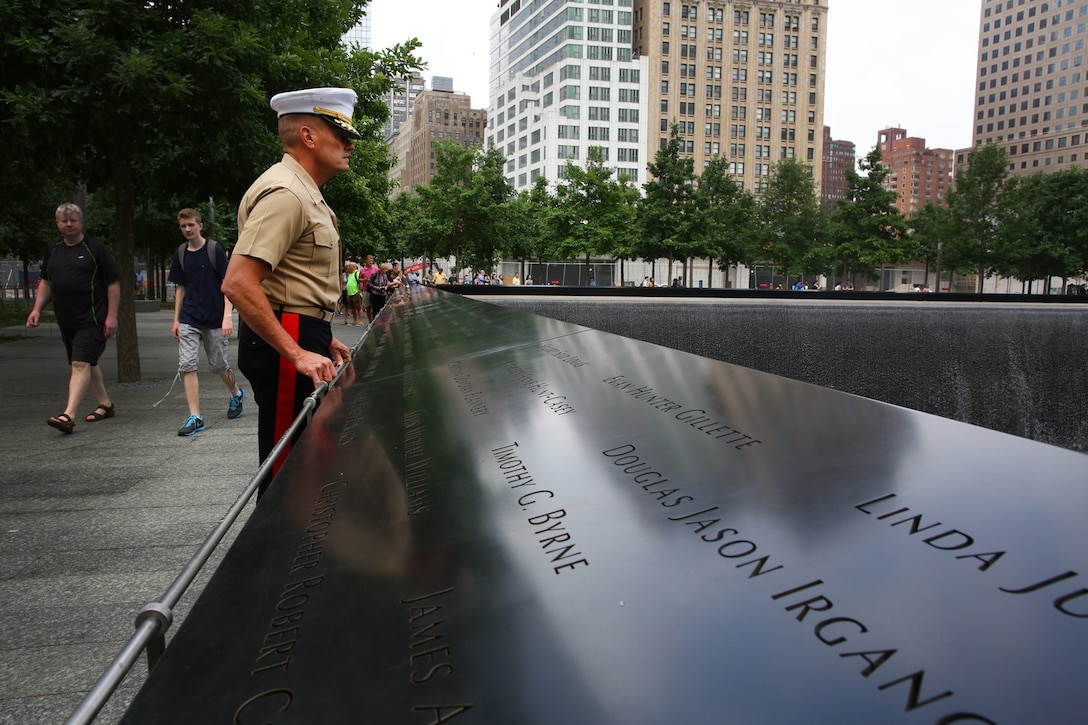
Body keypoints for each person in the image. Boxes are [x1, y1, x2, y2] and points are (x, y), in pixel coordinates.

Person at [221, 87, 356, 495]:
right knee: (287, 473)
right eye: (341, 134)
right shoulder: (287, 193)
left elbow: (292, 280)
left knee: (304, 462)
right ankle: (271, 555)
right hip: (288, 341)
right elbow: (238, 282)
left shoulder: (302, 191)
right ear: (308, 136)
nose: (350, 145)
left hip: (300, 330)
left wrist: (320, 333)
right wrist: (297, 351)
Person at [27, 203, 120, 434]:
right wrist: (37, 309)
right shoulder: (53, 249)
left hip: (92, 318)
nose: (69, 224)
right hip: (66, 319)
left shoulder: (95, 249)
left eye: (73, 220)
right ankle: (106, 404)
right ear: (57, 223)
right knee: (87, 362)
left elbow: (113, 284)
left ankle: (68, 415)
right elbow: (46, 281)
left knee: (79, 364)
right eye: (64, 221)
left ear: (81, 222)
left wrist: (111, 316)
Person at [168, 208, 245, 436]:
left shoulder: (214, 250)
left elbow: (227, 284)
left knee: (219, 365)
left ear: (200, 225)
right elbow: (180, 288)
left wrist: (226, 316)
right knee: (187, 364)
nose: (187, 229)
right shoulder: (181, 253)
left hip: (214, 318)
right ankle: (195, 416)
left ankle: (235, 393)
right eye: (183, 226)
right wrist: (176, 320)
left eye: (191, 225)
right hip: (189, 317)